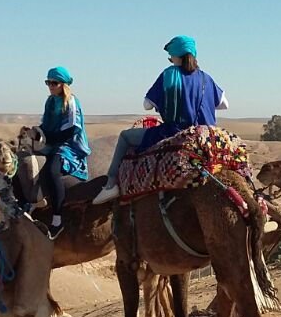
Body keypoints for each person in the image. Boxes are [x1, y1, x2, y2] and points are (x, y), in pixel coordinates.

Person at [93, 35, 227, 203]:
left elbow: (147, 106)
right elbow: (224, 104)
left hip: (176, 133)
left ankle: (111, 184)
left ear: (176, 55)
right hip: (207, 138)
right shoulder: (206, 78)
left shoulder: (169, 75)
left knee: (125, 136)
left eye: (170, 56)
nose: (170, 59)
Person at [36, 67, 91, 239]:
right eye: (48, 82)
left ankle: (57, 220)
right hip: (52, 141)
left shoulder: (71, 102)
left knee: (52, 170)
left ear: (63, 85)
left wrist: (48, 138)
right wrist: (37, 133)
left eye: (54, 83)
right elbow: (46, 126)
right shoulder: (50, 101)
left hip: (69, 144)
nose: (50, 86)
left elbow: (71, 130)